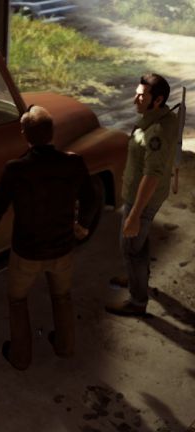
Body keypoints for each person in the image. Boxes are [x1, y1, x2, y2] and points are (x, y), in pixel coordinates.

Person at [0, 105, 97, 370]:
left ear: (24, 134)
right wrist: (83, 226)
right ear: (52, 132)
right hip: (62, 249)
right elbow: (90, 198)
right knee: (62, 297)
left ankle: (20, 357)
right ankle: (65, 346)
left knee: (17, 301)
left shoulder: (15, 169)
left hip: (26, 252)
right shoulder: (73, 163)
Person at [105, 74, 179, 317]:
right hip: (147, 194)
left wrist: (134, 215)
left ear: (158, 100)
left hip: (142, 198)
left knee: (130, 248)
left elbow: (152, 175)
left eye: (141, 96)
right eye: (137, 94)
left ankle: (137, 302)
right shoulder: (161, 117)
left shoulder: (156, 131)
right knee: (139, 242)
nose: (134, 99)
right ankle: (137, 276)